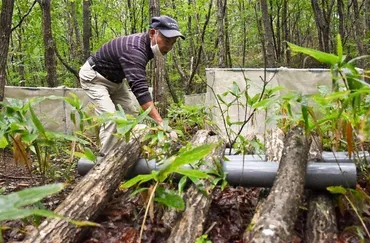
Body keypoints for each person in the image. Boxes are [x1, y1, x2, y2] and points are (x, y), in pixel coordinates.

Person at [79, 15, 184, 157]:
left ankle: (127, 151)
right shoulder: (134, 50)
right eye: (166, 40)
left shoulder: (147, 45)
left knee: (130, 115)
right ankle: (106, 160)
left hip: (116, 80)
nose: (169, 47)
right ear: (153, 33)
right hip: (95, 78)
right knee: (111, 118)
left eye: (173, 42)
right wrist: (161, 124)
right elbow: (140, 90)